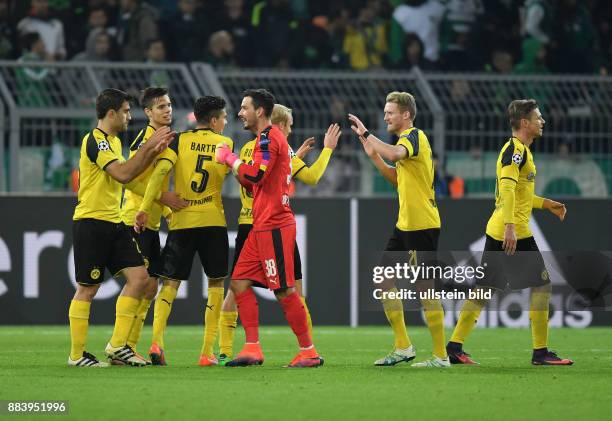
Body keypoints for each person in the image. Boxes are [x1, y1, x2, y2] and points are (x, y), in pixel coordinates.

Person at [446, 99, 573, 366]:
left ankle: (454, 347)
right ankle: (540, 353)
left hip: (502, 229)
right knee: (542, 285)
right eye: (538, 117)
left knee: (484, 291)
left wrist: (546, 203)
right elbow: (506, 189)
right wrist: (510, 228)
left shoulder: (520, 150)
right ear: (524, 123)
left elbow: (520, 194)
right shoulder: (516, 151)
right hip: (512, 232)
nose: (543, 121)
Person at [216, 103, 341, 364]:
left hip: (257, 221)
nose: (291, 129)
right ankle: (256, 348)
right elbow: (311, 177)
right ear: (281, 124)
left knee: (242, 286)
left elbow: (249, 180)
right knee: (283, 288)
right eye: (290, 125)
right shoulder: (274, 143)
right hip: (267, 223)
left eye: (244, 108)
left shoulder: (258, 145)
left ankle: (304, 351)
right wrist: (326, 150)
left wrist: (231, 159)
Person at [68, 88, 177, 367]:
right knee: (88, 289)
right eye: (126, 111)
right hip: (92, 221)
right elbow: (124, 173)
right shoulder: (96, 141)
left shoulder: (114, 142)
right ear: (112, 113)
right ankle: (77, 355)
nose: (130, 116)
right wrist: (149, 149)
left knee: (141, 279)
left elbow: (127, 173)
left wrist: (148, 151)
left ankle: (118, 346)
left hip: (114, 222)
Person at [349, 91, 449, 368]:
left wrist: (368, 135)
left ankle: (441, 356)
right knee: (382, 278)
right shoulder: (405, 144)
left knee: (425, 289)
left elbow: (394, 153)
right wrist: (374, 157)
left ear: (406, 114)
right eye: (385, 111)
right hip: (405, 224)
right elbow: (397, 178)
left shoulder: (414, 137)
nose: (385, 116)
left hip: (422, 226)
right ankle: (403, 346)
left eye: (390, 112)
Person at [136, 96, 233, 367]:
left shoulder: (178, 140)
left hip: (182, 221)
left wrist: (145, 207)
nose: (225, 122)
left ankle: (156, 342)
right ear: (214, 120)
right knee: (215, 282)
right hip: (213, 221)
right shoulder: (225, 143)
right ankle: (206, 352)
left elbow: (160, 173)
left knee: (170, 284)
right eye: (223, 118)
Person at [120, 87, 188, 363]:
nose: (167, 110)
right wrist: (163, 197)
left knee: (149, 288)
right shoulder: (145, 139)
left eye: (169, 105)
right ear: (147, 112)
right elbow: (132, 179)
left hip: (152, 221)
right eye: (160, 106)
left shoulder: (166, 138)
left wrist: (168, 213)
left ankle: (130, 346)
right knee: (140, 284)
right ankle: (121, 346)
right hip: (134, 217)